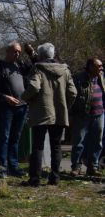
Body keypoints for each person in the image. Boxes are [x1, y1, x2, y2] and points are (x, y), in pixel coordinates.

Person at [21, 43, 77, 186]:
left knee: (38, 146)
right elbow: (73, 92)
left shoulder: (38, 68)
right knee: (56, 146)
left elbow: (34, 86)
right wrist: (65, 106)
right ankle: (55, 177)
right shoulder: (65, 70)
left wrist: (24, 97)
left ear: (40, 56)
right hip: (59, 113)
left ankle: (35, 179)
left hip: (41, 113)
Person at [0, 41, 32, 177]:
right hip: (6, 108)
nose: (17, 54)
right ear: (8, 51)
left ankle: (14, 166)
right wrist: (5, 97)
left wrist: (30, 52)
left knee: (15, 137)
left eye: (19, 52)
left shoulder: (21, 66)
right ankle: (2, 167)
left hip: (22, 107)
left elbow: (36, 65)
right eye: (14, 51)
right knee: (5, 136)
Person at [69, 58, 104, 176]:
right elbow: (71, 96)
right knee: (78, 142)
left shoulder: (102, 77)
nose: (101, 68)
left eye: (101, 66)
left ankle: (93, 166)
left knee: (97, 141)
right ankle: (76, 167)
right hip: (82, 114)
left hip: (99, 113)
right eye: (98, 66)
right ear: (90, 67)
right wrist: (71, 114)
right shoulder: (78, 78)